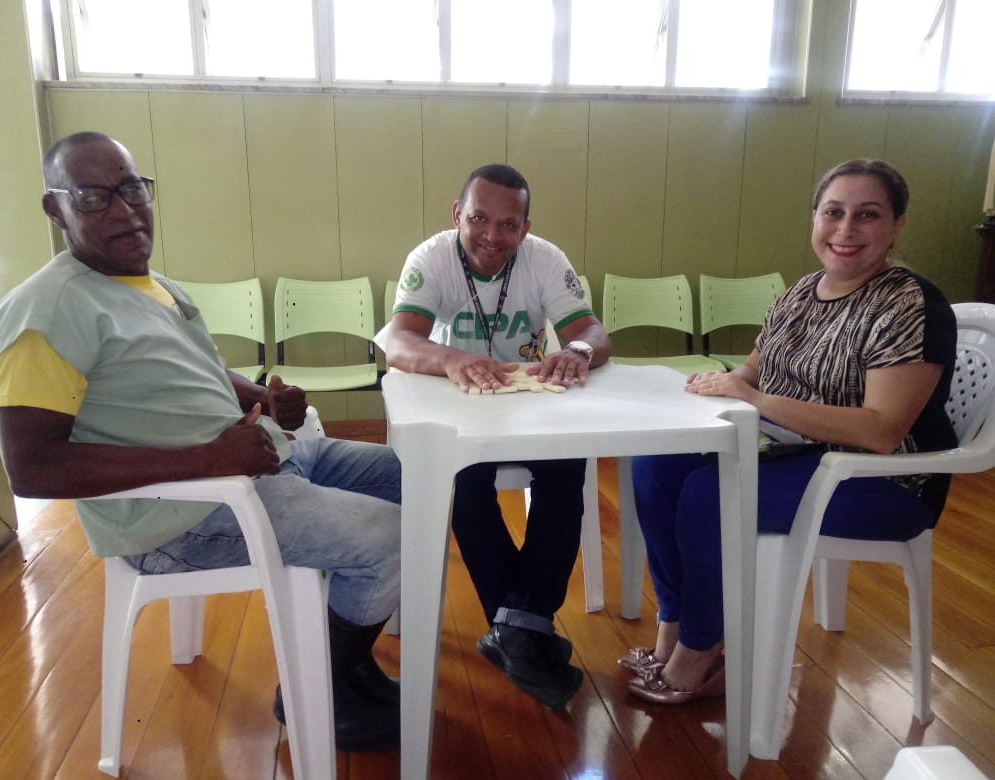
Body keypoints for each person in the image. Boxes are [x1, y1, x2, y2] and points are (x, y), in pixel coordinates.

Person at [0, 131, 403, 751]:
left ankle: (348, 662)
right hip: (185, 514)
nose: (125, 210)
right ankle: (318, 689)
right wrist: (207, 459)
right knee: (390, 537)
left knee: (415, 477)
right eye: (94, 196)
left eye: (132, 188)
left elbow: (198, 371)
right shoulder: (43, 315)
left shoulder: (153, 284)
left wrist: (264, 400)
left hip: (259, 458)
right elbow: (32, 468)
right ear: (56, 209)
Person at [621, 158, 958, 704]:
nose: (845, 229)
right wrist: (722, 385)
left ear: (897, 225)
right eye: (833, 212)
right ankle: (675, 627)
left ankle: (702, 652)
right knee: (657, 464)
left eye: (867, 215)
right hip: (793, 452)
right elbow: (754, 370)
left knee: (710, 494)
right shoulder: (804, 291)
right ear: (815, 218)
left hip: (883, 479)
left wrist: (757, 401)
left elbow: (882, 430)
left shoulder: (909, 303)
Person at [384, 163, 611, 711]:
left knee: (568, 465)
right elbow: (398, 341)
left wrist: (577, 352)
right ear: (457, 215)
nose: (492, 235)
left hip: (531, 403)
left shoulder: (546, 259)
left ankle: (514, 629)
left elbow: (593, 333)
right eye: (479, 219)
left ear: (525, 228)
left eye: (509, 225)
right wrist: (451, 359)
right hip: (457, 401)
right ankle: (524, 631)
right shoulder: (431, 258)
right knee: (463, 479)